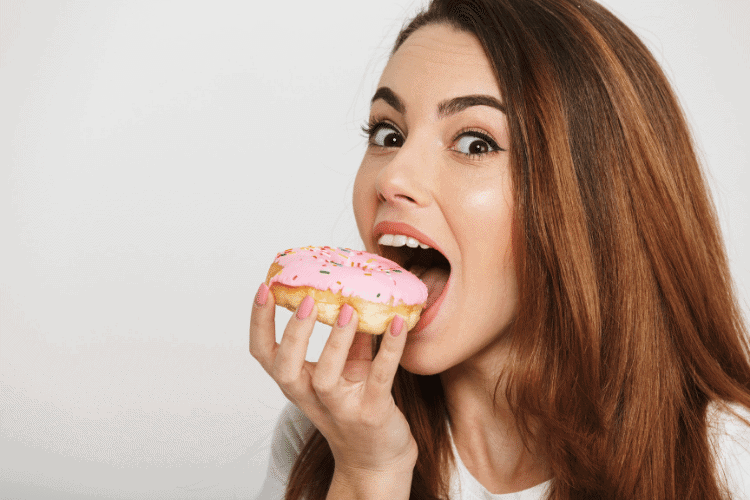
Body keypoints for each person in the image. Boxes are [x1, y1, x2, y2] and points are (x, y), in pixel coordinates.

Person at [250, 0, 750, 498]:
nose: (393, 176)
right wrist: (369, 474)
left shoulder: (728, 458)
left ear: (593, 196)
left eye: (474, 143)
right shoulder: (331, 431)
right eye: (388, 133)